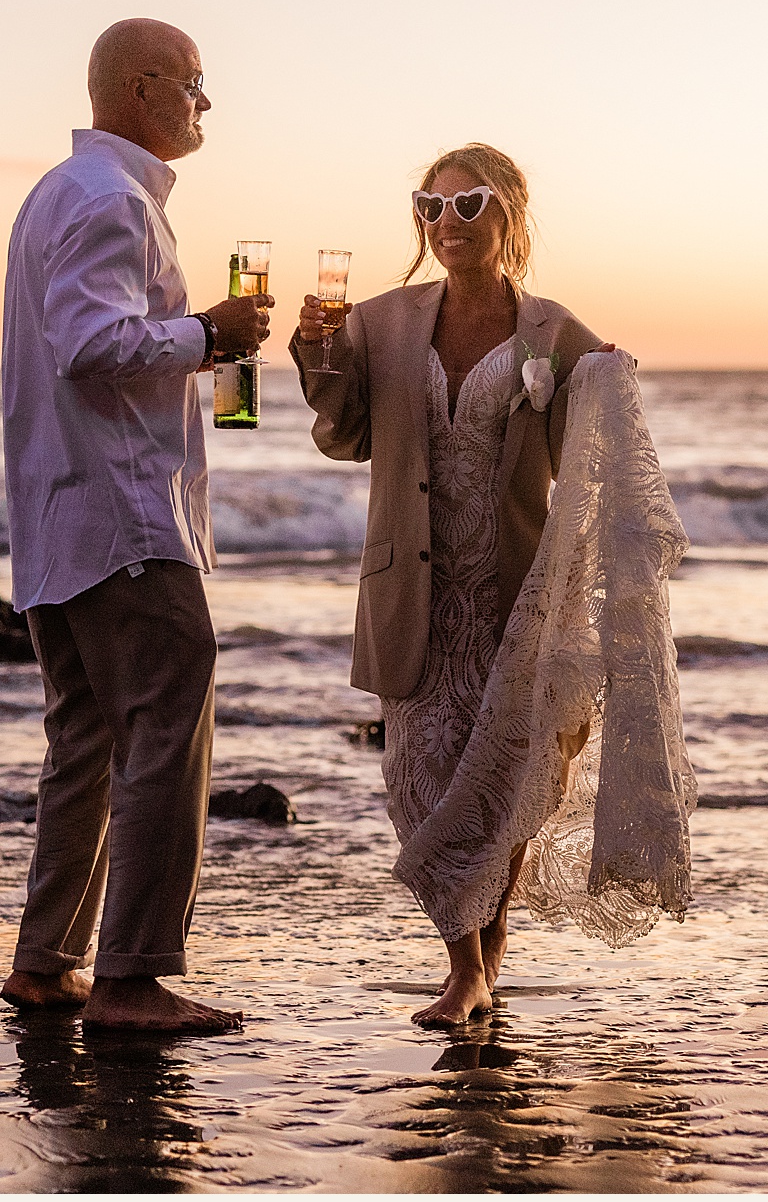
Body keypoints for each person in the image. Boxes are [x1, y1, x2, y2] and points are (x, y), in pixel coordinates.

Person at [291, 143, 691, 1028]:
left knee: (506, 784)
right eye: (429, 208)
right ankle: (464, 963)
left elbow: (601, 419)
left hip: (513, 592)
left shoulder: (552, 332)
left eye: (467, 205)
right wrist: (314, 355)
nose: (446, 225)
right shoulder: (382, 322)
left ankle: (481, 962)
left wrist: (610, 378)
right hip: (413, 595)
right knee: (416, 779)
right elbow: (344, 432)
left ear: (509, 210)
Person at [0, 17, 271, 1034]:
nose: (206, 103)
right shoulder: (111, 198)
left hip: (60, 512)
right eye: (198, 83)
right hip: (120, 517)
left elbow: (82, 338)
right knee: (165, 721)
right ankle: (133, 974)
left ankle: (47, 959)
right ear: (144, 87)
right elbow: (89, 341)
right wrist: (212, 334)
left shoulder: (59, 193)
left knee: (88, 734)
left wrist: (199, 342)